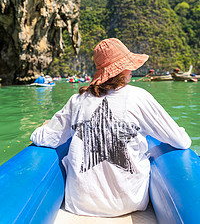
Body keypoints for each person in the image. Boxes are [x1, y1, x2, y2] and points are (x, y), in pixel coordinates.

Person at [30, 38, 191, 217]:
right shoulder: (139, 97)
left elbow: (45, 138)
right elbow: (182, 141)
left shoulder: (77, 100)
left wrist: (43, 127)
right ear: (123, 69)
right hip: (129, 202)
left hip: (79, 202)